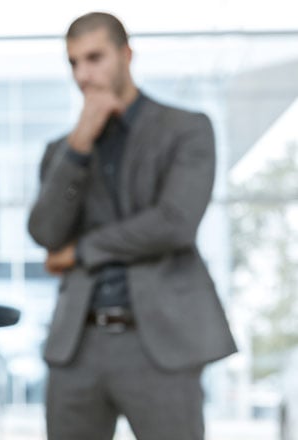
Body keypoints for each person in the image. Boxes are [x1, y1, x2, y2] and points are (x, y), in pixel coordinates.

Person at [27, 12, 237, 440]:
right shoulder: (62, 151)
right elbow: (46, 233)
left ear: (126, 55)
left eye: (94, 58)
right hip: (77, 346)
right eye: (73, 63)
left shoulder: (186, 130)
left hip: (160, 341)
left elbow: (173, 224)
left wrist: (81, 251)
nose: (84, 75)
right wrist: (79, 145)